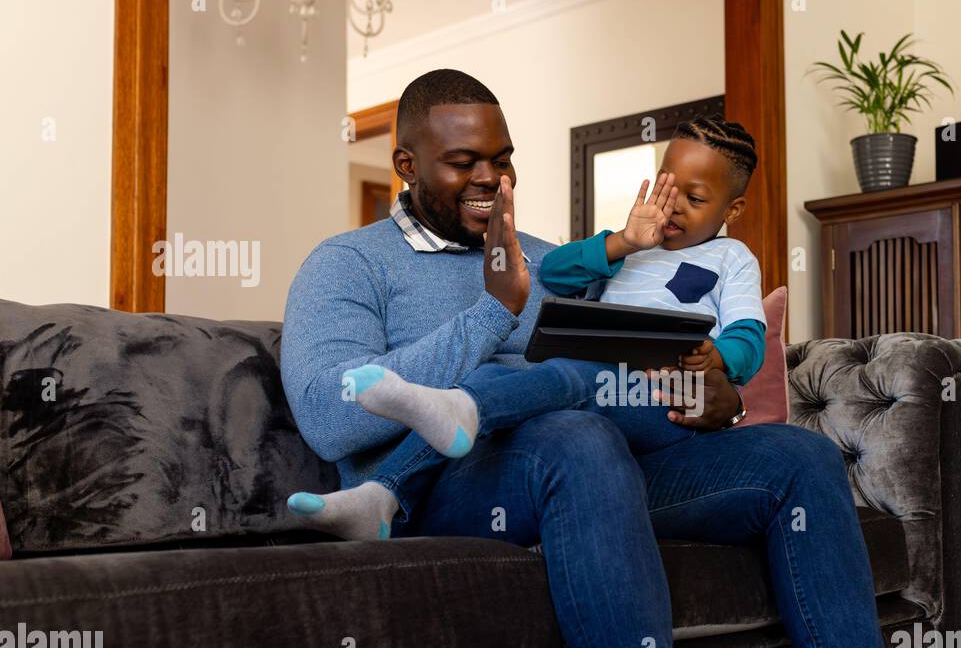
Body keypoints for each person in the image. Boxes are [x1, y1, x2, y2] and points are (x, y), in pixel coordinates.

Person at [279, 68, 947, 648]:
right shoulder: (347, 263)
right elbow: (330, 420)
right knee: (575, 434)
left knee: (805, 459)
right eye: (464, 162)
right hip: (456, 487)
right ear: (406, 167)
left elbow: (620, 363)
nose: (491, 179)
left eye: (502, 159)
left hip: (603, 471)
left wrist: (714, 397)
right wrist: (491, 314)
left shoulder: (555, 257)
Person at [286, 117, 767, 538]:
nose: (674, 206)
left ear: (733, 209)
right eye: (668, 188)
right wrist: (622, 241)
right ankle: (386, 492)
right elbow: (555, 272)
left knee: (567, 378)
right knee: (496, 378)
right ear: (407, 166)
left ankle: (460, 409)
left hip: (657, 399)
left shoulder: (730, 258)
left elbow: (749, 337)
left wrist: (722, 368)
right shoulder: (633, 249)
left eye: (501, 161)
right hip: (591, 405)